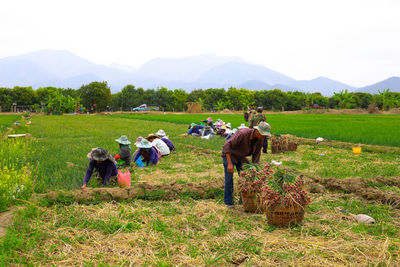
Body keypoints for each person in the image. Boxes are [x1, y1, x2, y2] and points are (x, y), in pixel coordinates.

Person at [221, 121, 271, 208]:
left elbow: (257, 154)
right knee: (229, 178)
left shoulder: (260, 139)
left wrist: (255, 169)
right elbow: (226, 146)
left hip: (241, 156)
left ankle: (243, 199)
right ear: (257, 131)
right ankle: (228, 202)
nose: (263, 136)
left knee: (246, 177)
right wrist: (229, 163)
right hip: (230, 154)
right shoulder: (243, 133)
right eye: (263, 134)